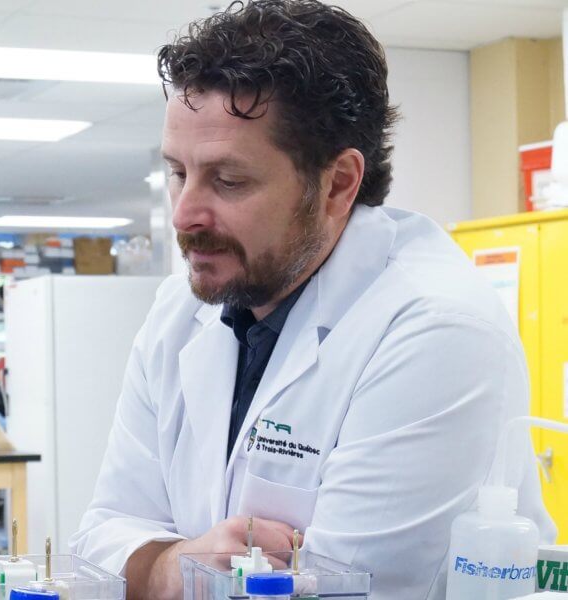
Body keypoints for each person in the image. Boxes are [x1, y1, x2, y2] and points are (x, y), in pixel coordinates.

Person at [69, 1, 555, 598]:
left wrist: (160, 570)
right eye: (178, 172)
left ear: (338, 184)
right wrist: (179, 566)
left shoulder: (436, 331)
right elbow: (102, 536)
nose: (184, 214)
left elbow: (349, 588)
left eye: (228, 180)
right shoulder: (181, 311)